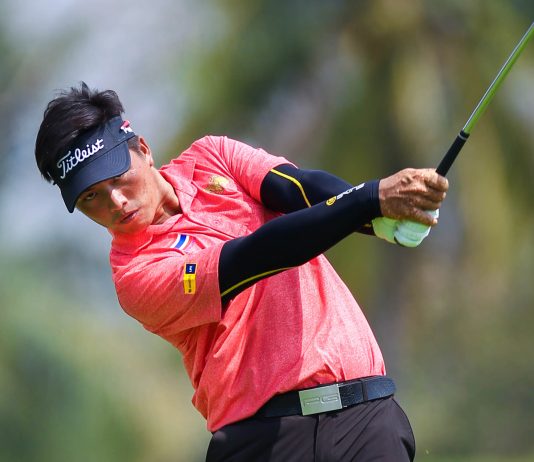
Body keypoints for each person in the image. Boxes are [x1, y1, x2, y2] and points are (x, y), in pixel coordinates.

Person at [35, 82, 448, 461]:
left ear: (143, 149)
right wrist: (369, 201)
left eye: (118, 177)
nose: (115, 203)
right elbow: (256, 257)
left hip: (365, 419)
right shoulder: (135, 275)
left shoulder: (211, 156)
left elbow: (298, 189)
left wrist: (381, 217)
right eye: (91, 197)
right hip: (263, 442)